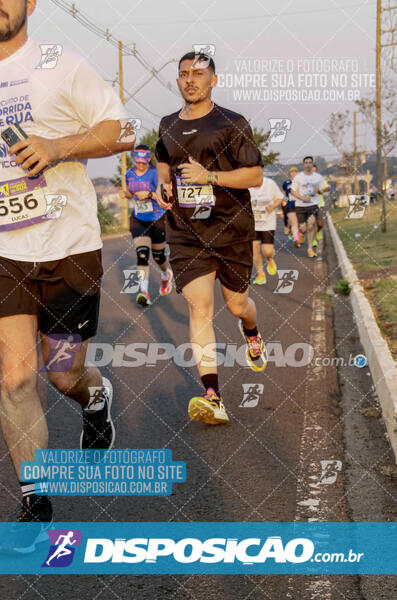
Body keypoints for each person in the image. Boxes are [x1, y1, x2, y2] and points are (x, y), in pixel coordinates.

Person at [0, 0, 133, 547]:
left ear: (29, 2)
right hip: (6, 250)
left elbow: (122, 128)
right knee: (14, 378)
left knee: (62, 374)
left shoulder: (61, 64)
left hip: (68, 246)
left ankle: (95, 398)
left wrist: (57, 146)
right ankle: (35, 495)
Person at [155, 51, 267, 425]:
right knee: (199, 308)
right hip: (187, 232)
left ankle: (251, 331)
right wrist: (162, 185)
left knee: (237, 306)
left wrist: (211, 178)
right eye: (184, 74)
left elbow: (254, 177)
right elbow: (162, 157)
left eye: (198, 73)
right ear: (178, 81)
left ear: (213, 81)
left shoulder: (232, 123)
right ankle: (212, 396)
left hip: (230, 227)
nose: (190, 79)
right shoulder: (167, 124)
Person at [119, 144, 173, 306]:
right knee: (142, 254)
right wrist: (126, 194)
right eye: (138, 161)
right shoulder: (129, 174)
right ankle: (144, 292)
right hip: (139, 219)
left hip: (157, 218)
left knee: (158, 256)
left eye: (144, 161)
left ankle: (165, 275)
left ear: (149, 159)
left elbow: (163, 197)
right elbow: (131, 193)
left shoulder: (155, 174)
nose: (141, 164)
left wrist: (149, 194)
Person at [291, 156, 330, 257]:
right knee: (303, 227)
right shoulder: (298, 177)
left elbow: (322, 191)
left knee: (312, 224)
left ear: (312, 164)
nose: (308, 164)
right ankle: (300, 234)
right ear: (303, 165)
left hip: (313, 204)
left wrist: (323, 190)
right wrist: (302, 198)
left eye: (310, 162)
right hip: (300, 205)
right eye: (306, 163)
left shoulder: (318, 177)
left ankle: (310, 249)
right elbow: (293, 191)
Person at [250, 176, 284, 285]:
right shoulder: (246, 185)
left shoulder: (270, 183)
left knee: (267, 251)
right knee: (254, 249)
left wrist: (273, 206)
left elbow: (280, 197)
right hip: (253, 223)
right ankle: (261, 274)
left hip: (268, 222)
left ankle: (269, 259)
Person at [312, 163, 329, 249]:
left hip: (319, 204)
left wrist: (321, 190)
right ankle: (313, 240)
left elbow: (327, 188)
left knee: (320, 223)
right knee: (312, 224)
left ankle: (319, 231)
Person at [281, 167, 300, 243]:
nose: (294, 174)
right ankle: (296, 239)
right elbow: (284, 193)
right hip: (290, 204)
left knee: (299, 222)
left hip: (299, 204)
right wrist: (284, 201)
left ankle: (294, 233)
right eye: (292, 172)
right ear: (290, 173)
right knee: (294, 221)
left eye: (295, 172)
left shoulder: (300, 183)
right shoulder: (286, 183)